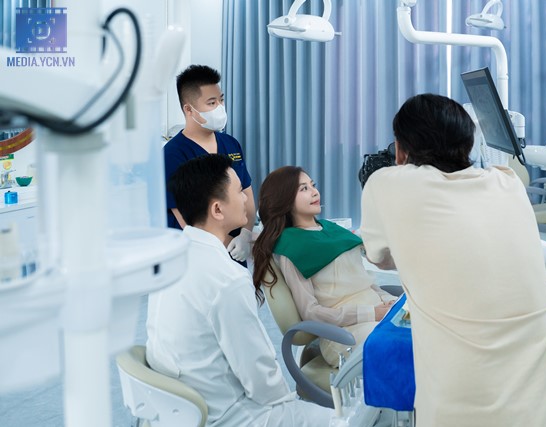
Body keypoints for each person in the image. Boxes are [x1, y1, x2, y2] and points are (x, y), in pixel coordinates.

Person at [360, 94, 546, 426]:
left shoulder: (387, 184)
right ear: (469, 143)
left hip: (459, 412)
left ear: (400, 152)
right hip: (543, 412)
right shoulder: (508, 182)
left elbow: (380, 258)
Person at [146, 154, 332, 427]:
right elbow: (260, 379)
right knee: (345, 420)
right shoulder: (227, 279)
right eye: (238, 191)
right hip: (230, 416)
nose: (246, 198)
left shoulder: (170, 260)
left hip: (179, 410)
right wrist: (289, 405)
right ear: (217, 210)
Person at [252, 166, 396, 367]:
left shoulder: (332, 229)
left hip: (377, 312)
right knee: (402, 347)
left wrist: (390, 301)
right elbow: (311, 312)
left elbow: (363, 282)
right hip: (343, 334)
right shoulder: (292, 247)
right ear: (285, 199)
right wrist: (372, 313)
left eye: (313, 185)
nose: (314, 192)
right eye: (304, 189)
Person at [164, 65, 255, 263]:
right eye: (211, 103)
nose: (219, 108)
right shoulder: (173, 154)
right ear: (189, 109)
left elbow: (247, 195)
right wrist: (227, 248)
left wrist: (246, 235)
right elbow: (186, 220)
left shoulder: (230, 143)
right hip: (200, 254)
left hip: (236, 248)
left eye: (221, 100)